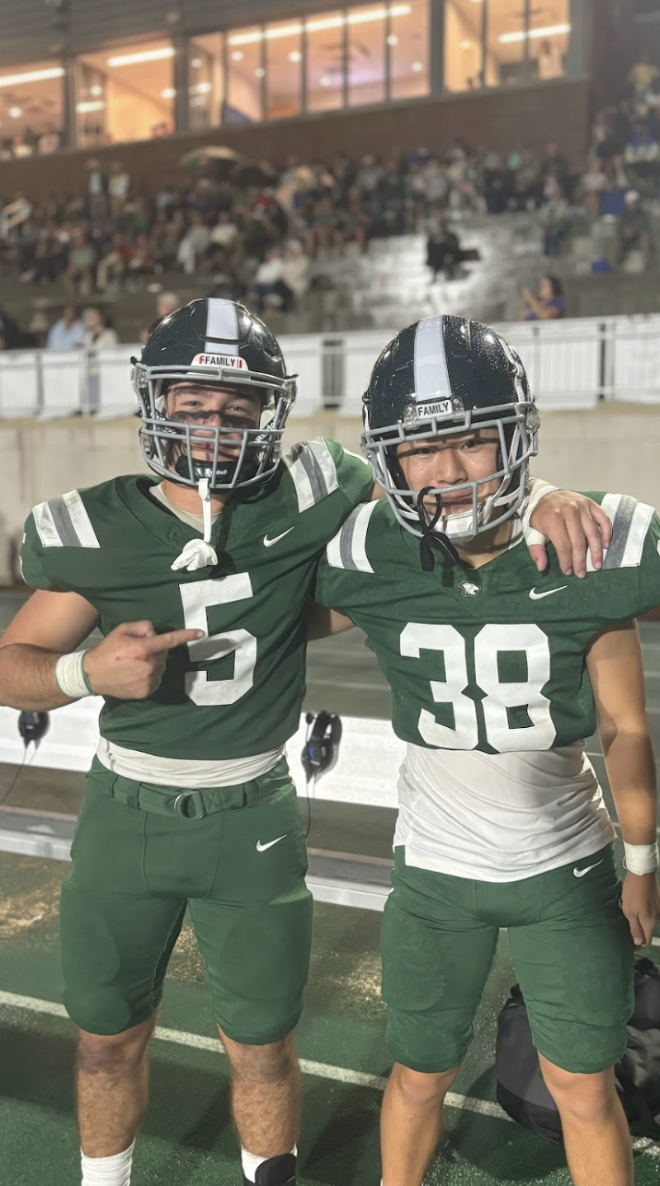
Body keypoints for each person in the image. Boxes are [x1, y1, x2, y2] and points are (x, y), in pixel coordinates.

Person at [0, 299, 611, 1186]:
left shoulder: (314, 487)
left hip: (253, 810)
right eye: (192, 404)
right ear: (154, 402)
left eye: (238, 407)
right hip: (124, 810)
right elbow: (13, 658)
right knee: (103, 1044)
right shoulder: (94, 526)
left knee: (263, 1047)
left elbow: (441, 476)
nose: (214, 428)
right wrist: (80, 675)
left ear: (271, 412)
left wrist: (547, 492)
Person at [312, 315, 660, 1186]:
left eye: (469, 439)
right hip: (434, 873)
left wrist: (643, 860)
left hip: (565, 870)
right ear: (386, 458)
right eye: (418, 448)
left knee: (584, 1090)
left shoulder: (591, 545)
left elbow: (626, 725)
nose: (447, 471)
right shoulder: (366, 551)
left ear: (516, 436)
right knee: (419, 1072)